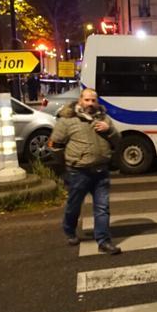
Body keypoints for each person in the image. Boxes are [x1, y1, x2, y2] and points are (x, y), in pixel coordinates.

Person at [49, 88, 121, 255]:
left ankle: (103, 241)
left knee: (102, 208)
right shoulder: (68, 120)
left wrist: (109, 130)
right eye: (87, 100)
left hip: (101, 171)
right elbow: (54, 145)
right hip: (78, 172)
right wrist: (67, 162)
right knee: (74, 205)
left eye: (93, 100)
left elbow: (118, 141)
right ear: (80, 100)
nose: (90, 104)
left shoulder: (104, 118)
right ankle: (69, 230)